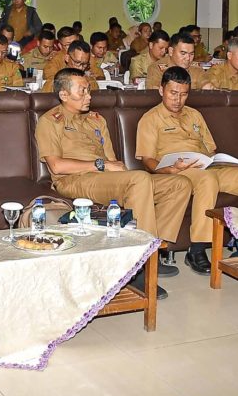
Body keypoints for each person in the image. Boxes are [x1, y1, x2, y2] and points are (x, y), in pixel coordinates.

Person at [35, 68, 190, 282]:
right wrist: (101, 165)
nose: (89, 96)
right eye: (82, 91)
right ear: (64, 94)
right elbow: (57, 166)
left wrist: (115, 169)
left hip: (103, 178)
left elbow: (113, 162)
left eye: (89, 90)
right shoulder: (50, 121)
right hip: (74, 180)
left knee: (179, 184)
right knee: (139, 179)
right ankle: (139, 265)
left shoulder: (97, 120)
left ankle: (154, 250)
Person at [136, 66, 238, 275]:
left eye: (183, 94)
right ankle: (197, 249)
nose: (178, 99)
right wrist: (169, 169)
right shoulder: (150, 118)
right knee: (207, 180)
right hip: (179, 170)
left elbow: (210, 148)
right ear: (161, 90)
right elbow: (148, 160)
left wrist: (215, 159)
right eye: (173, 93)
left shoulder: (194, 115)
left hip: (207, 166)